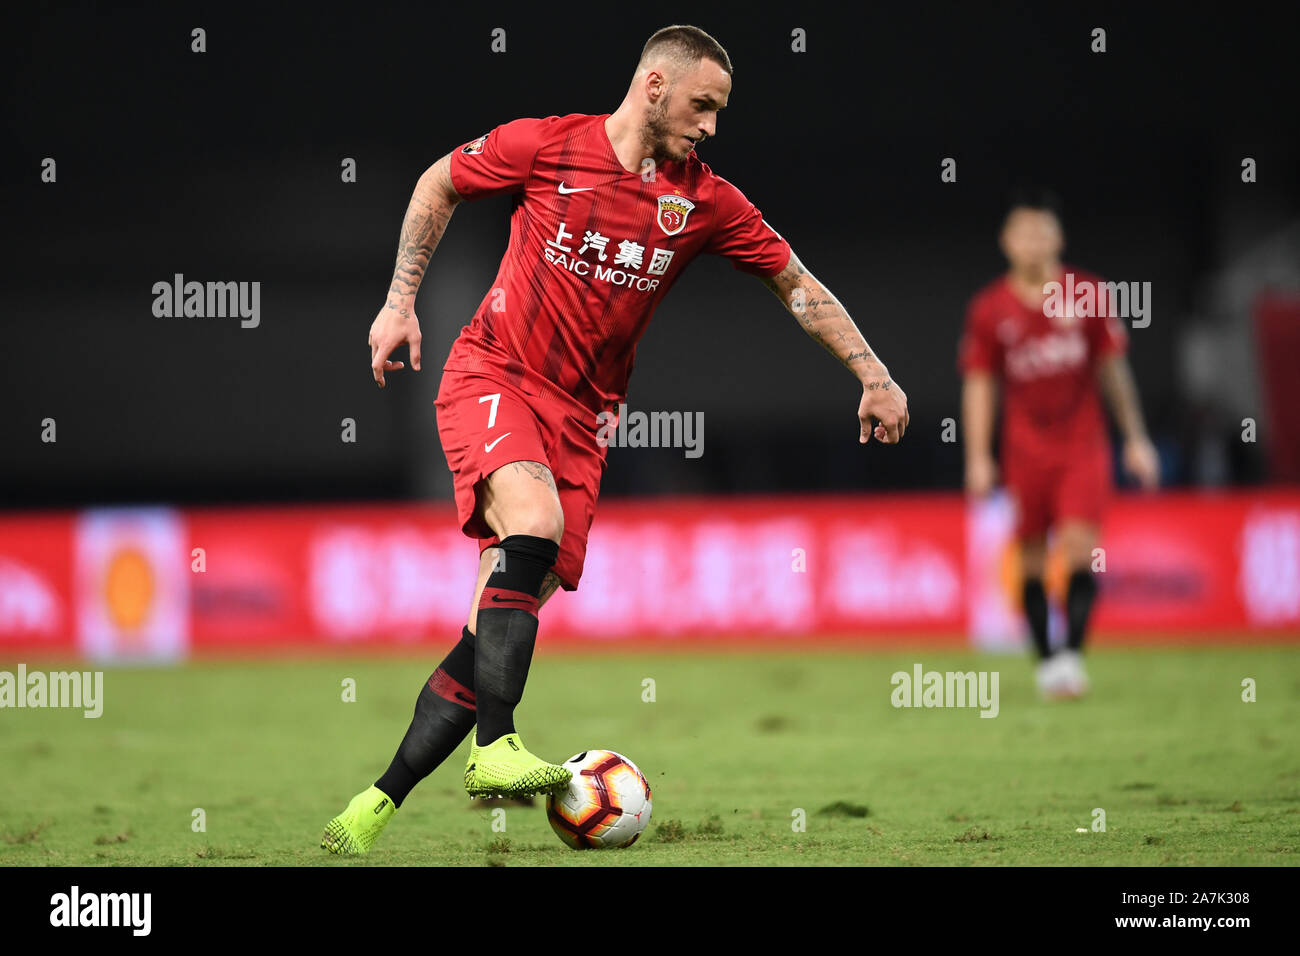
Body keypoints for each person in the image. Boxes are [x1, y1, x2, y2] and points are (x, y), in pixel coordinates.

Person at [322, 24, 908, 855]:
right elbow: (437, 183)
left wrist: (873, 373)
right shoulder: (546, 146)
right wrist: (397, 300)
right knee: (532, 523)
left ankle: (377, 802)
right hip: (493, 374)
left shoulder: (706, 202)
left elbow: (797, 286)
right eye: (703, 106)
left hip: (583, 423)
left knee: (487, 626)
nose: (711, 127)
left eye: (721, 112)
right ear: (656, 85)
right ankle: (495, 748)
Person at [959, 189, 1159, 699]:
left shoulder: (1089, 295)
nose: (1033, 243)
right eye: (1024, 233)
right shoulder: (989, 310)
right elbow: (981, 386)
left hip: (1082, 446)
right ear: (1007, 241)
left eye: (1043, 232)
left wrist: (1135, 438)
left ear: (1058, 238)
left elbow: (1113, 372)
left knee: (1079, 550)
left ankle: (1070, 655)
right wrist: (978, 457)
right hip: (1024, 449)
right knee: (1028, 558)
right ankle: (1046, 660)